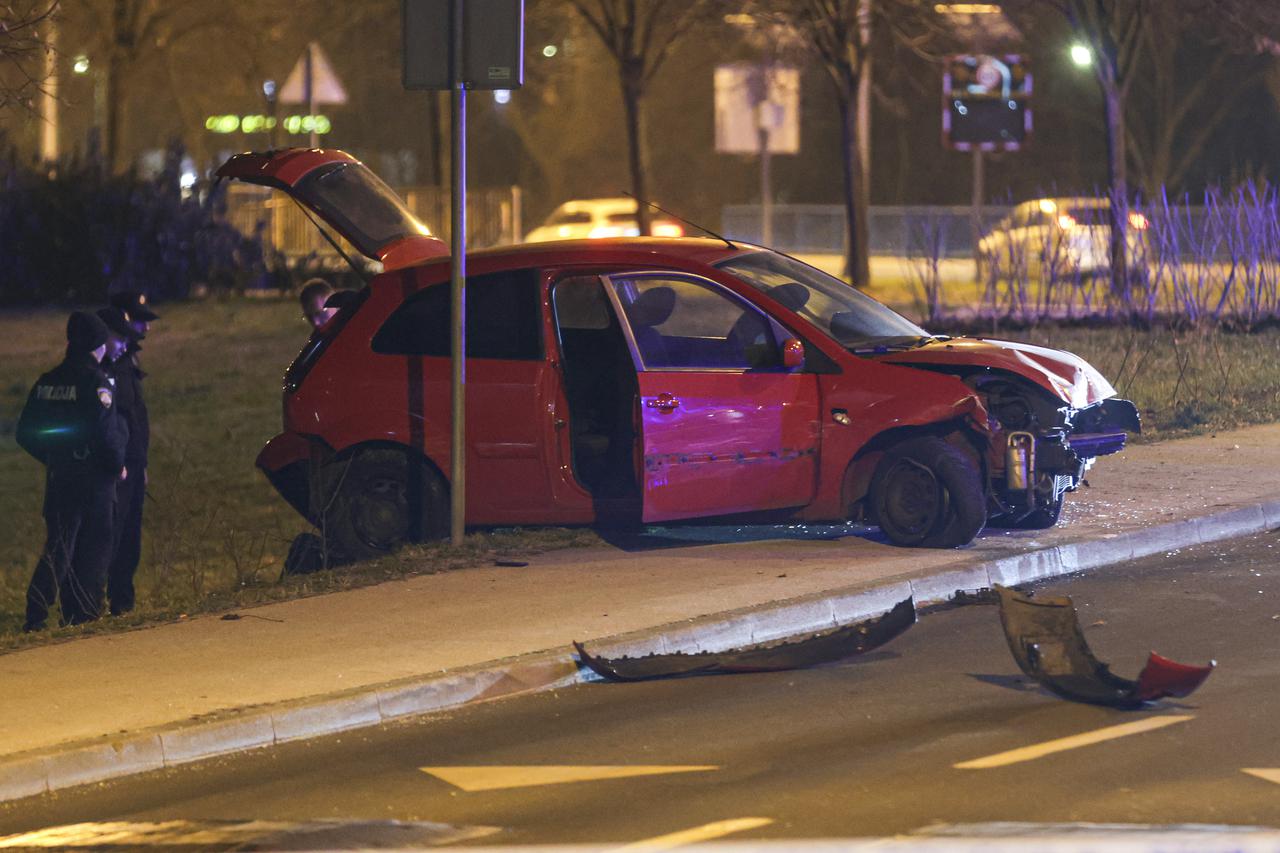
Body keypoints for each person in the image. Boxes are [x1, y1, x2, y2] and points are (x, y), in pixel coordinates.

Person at [17, 312, 128, 631]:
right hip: (94, 483)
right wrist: (116, 466)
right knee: (94, 550)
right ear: (97, 345)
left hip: (60, 477)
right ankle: (85, 616)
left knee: (59, 547)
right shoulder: (96, 383)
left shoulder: (48, 381)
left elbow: (26, 432)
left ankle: (37, 612)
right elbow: (105, 435)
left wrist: (55, 456)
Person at [105, 292, 157, 615]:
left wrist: (142, 462)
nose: (144, 328)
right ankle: (104, 600)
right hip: (120, 463)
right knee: (115, 532)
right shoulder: (113, 362)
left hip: (133, 462)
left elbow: (136, 415)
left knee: (130, 535)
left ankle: (122, 601)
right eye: (139, 320)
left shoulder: (129, 358)